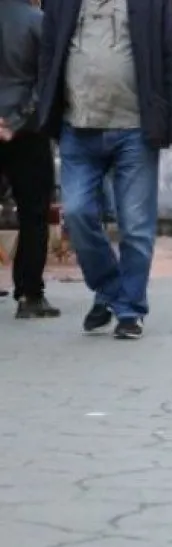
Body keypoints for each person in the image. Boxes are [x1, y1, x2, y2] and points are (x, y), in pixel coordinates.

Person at [39, 0, 172, 339]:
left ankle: (130, 309)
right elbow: (48, 54)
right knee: (77, 213)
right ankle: (111, 288)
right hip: (77, 127)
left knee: (136, 227)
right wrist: (43, 111)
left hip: (135, 130)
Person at [0, 0, 59, 318]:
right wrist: (16, 121)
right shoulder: (38, 22)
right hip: (26, 132)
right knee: (33, 214)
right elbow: (45, 82)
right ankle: (30, 294)